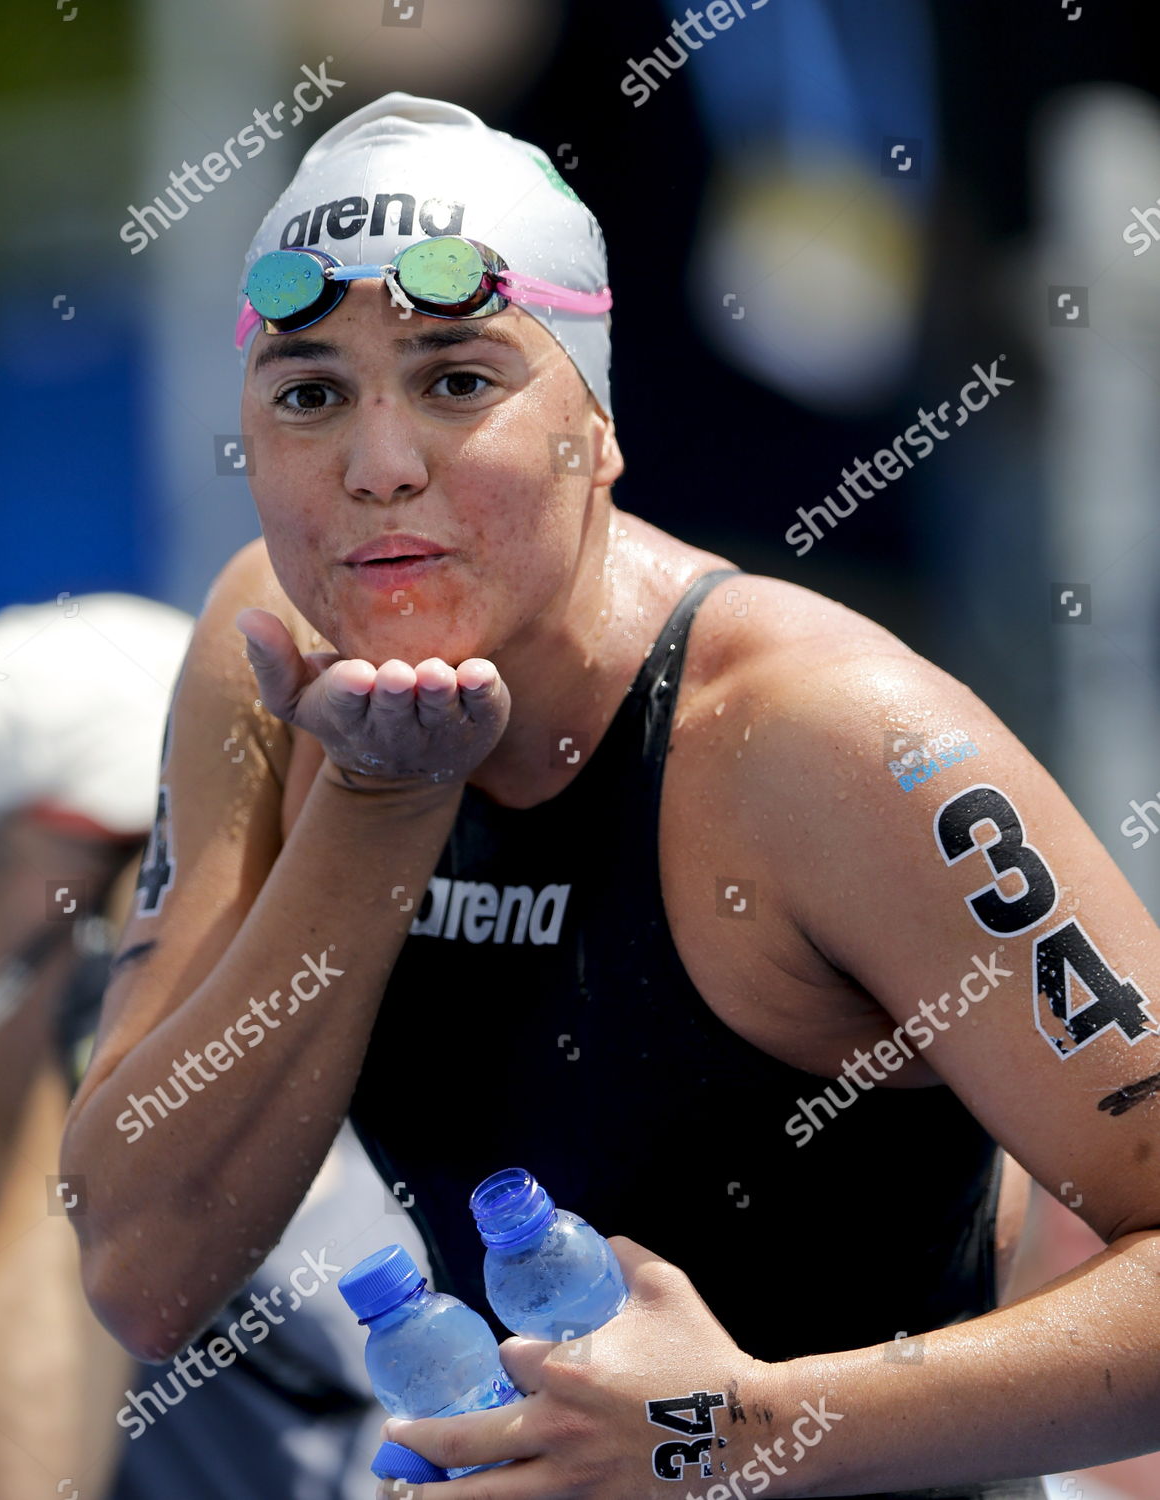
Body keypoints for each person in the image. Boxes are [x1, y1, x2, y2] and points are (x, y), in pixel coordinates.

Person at [61, 93, 1160, 1500]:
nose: (380, 465)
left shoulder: (820, 740)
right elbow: (143, 1267)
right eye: (310, 393)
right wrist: (378, 805)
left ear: (597, 430)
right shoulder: (271, 645)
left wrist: (736, 1434)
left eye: (459, 381)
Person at [0, 593, 422, 1500]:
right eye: (142, 863)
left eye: (237, 844)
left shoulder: (345, 1142)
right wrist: (90, 1067)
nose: (176, 914)